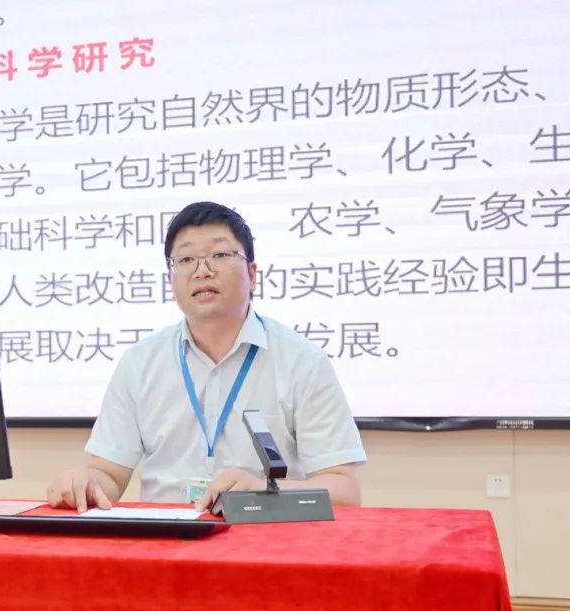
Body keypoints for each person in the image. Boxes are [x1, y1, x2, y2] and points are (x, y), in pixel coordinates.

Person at [45, 201, 366, 513]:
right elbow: (109, 475)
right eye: (186, 259)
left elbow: (344, 489)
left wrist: (265, 490)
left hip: (264, 536)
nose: (202, 271)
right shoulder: (140, 363)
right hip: (166, 540)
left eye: (220, 255)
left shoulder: (302, 361)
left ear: (252, 274)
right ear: (170, 279)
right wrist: (86, 482)